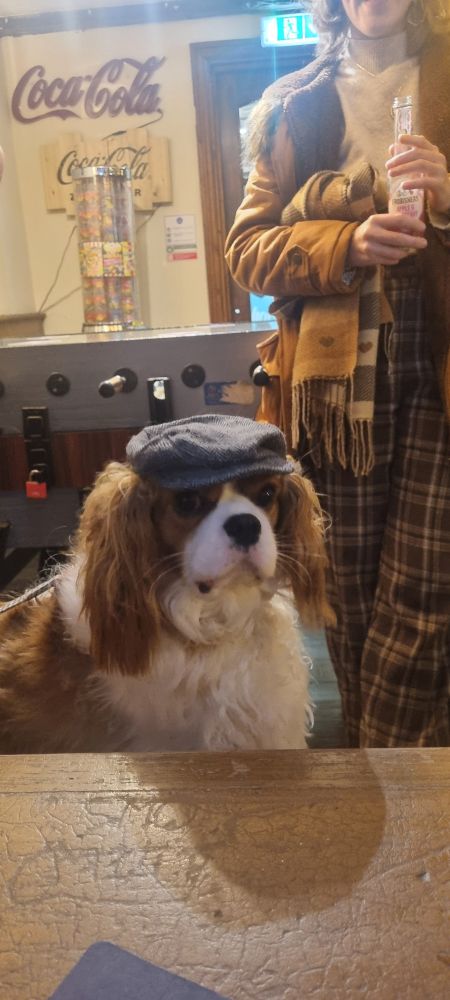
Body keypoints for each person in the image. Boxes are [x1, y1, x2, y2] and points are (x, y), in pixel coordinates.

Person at [225, 0, 450, 748]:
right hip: (333, 372)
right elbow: (247, 249)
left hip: (440, 351)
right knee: (349, 591)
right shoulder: (291, 102)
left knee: (427, 588)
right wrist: (348, 243)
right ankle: (383, 771)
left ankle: (389, 774)